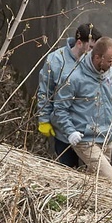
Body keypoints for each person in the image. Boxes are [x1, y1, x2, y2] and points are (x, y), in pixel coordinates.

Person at [51, 37, 112, 181]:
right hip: (86, 138)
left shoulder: (110, 73)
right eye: (109, 61)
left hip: (106, 135)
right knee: (108, 176)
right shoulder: (74, 77)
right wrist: (70, 131)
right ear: (97, 57)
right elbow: (60, 108)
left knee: (97, 182)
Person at [36, 23, 101, 168]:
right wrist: (44, 119)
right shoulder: (56, 60)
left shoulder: (94, 63)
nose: (93, 52)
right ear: (79, 43)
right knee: (67, 170)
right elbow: (45, 91)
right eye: (91, 47)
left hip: (88, 132)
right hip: (63, 130)